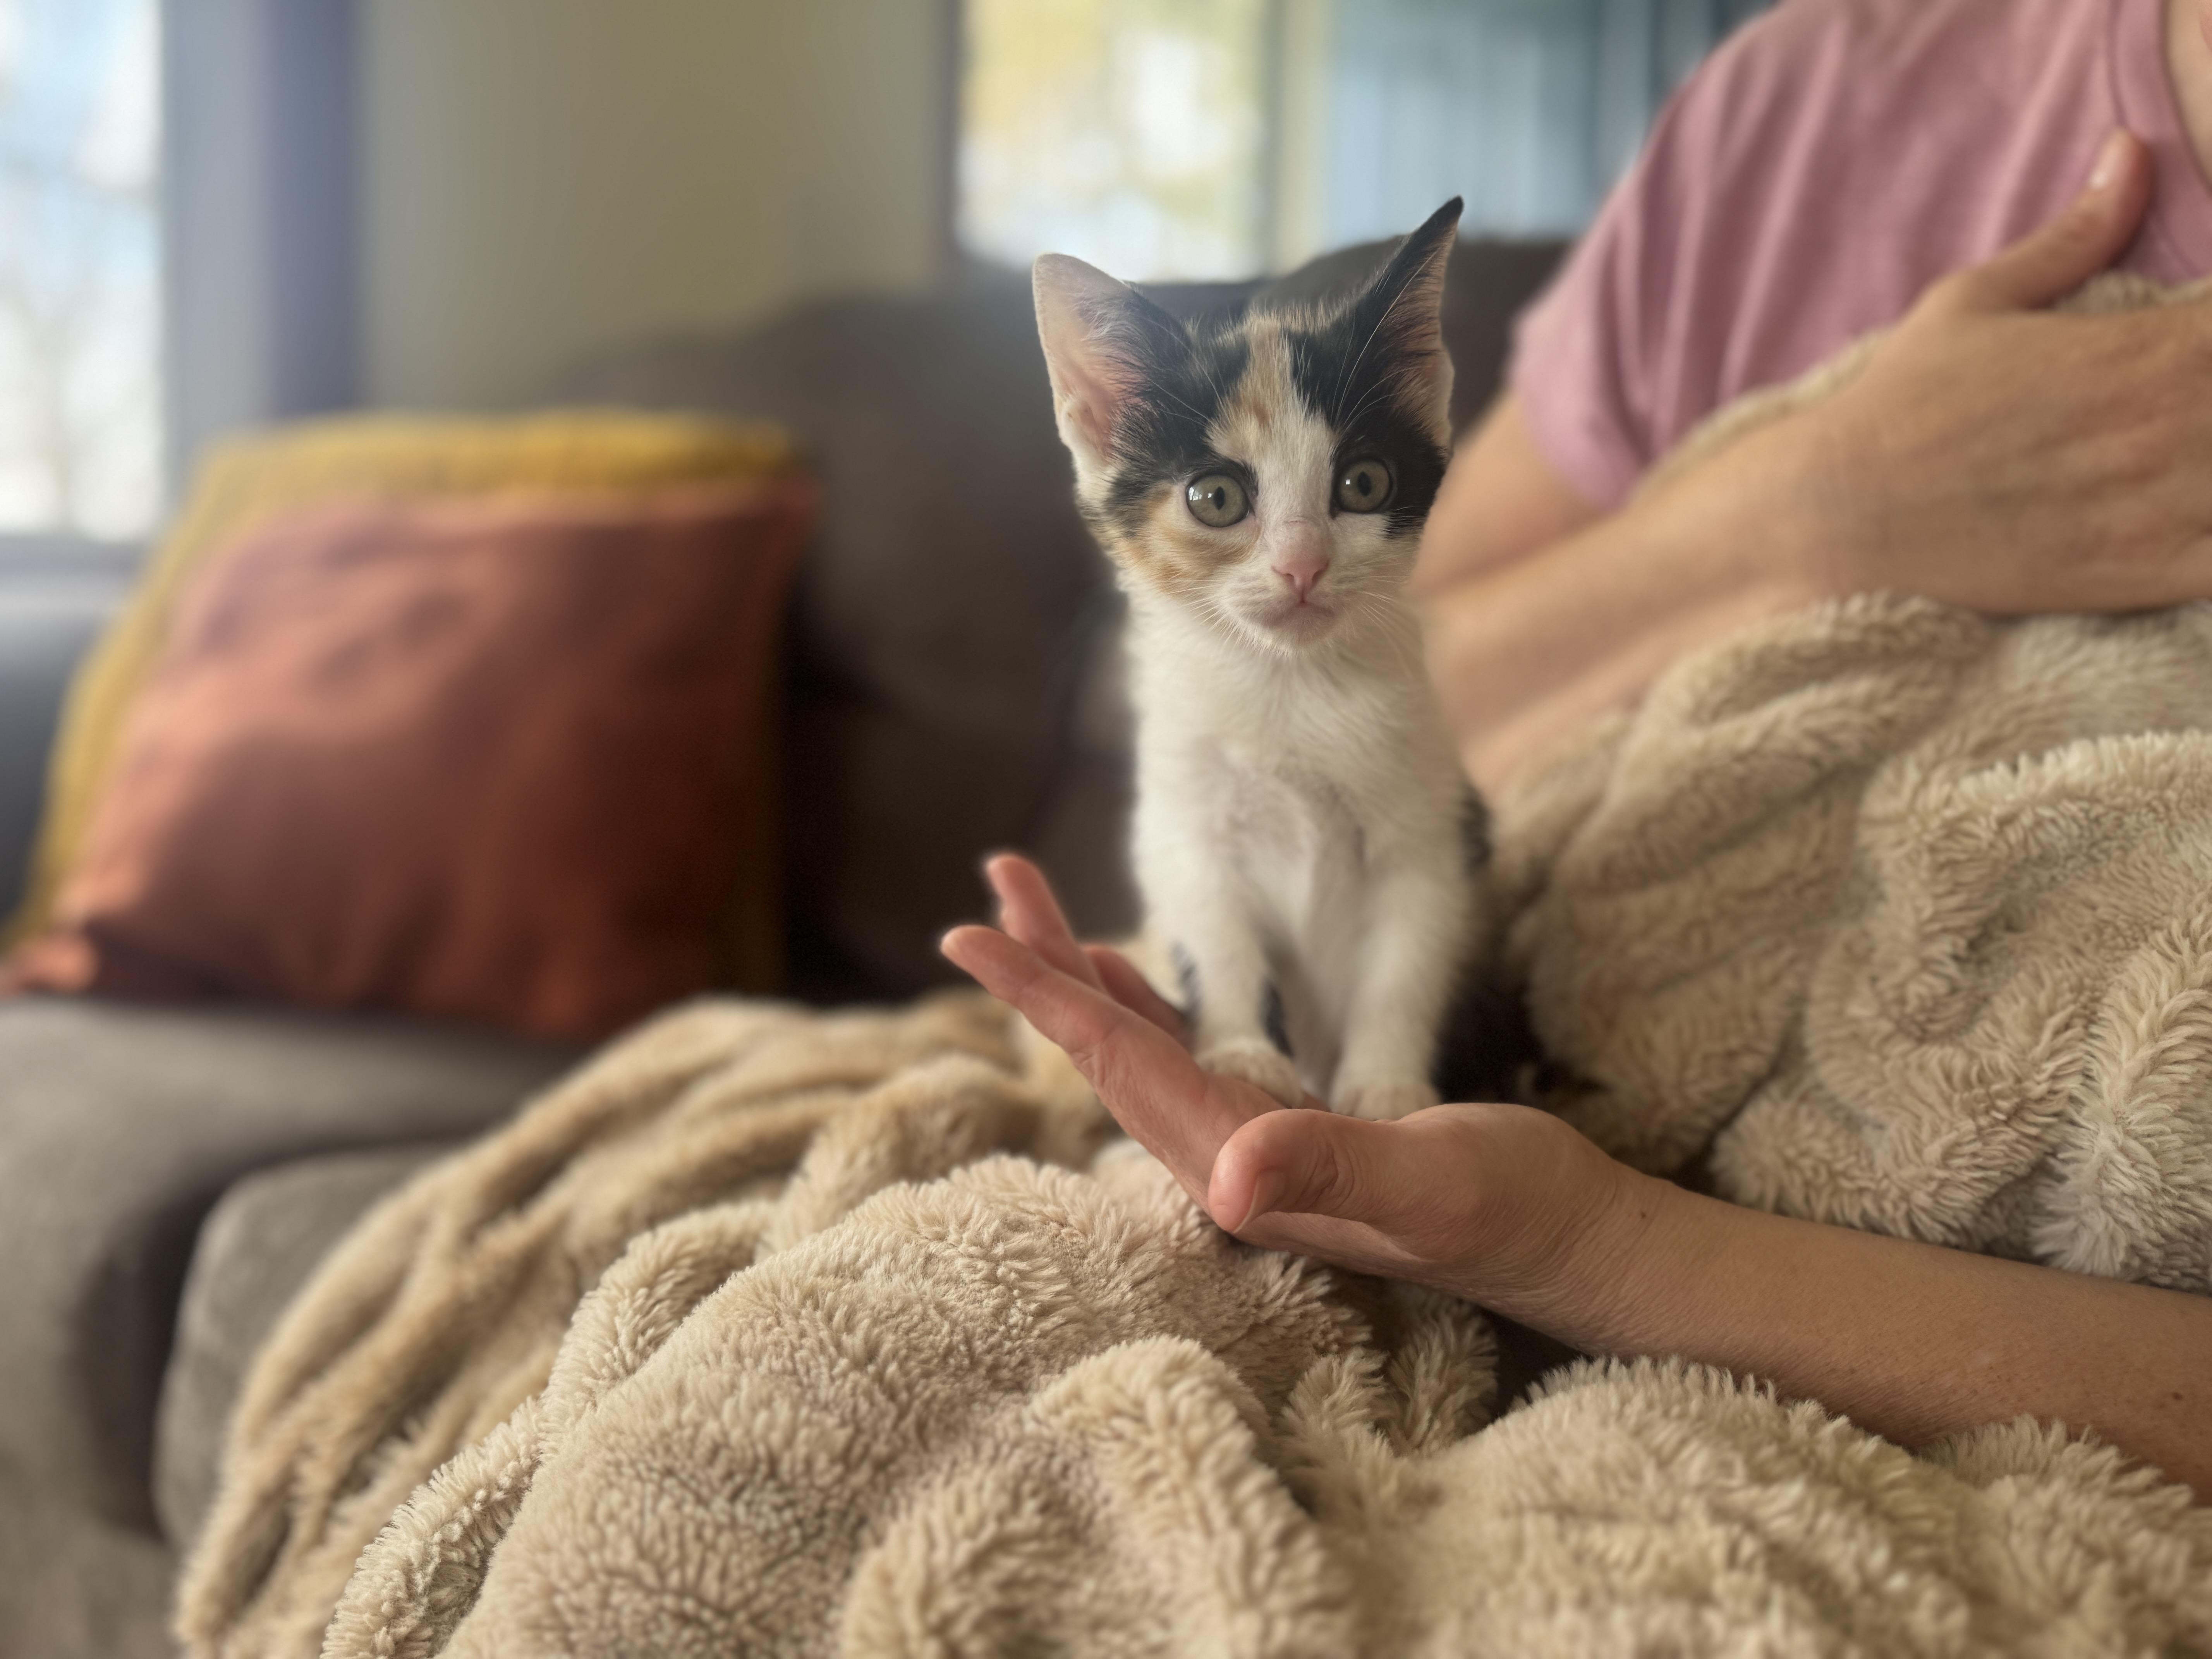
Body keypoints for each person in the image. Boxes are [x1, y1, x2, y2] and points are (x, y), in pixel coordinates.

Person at [945, 0, 2212, 1503]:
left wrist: (1585, 1246)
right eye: (1230, 507)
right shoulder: (1804, 107)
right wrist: (1811, 506)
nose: (1293, 559)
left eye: (1344, 489)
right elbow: (1421, 664)